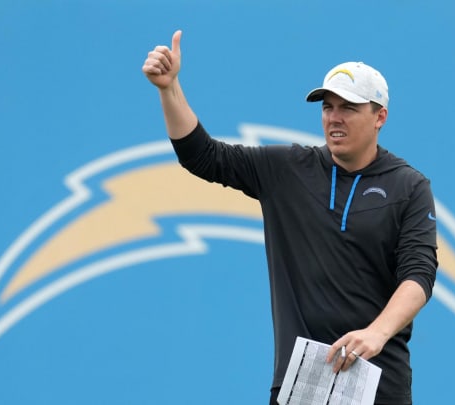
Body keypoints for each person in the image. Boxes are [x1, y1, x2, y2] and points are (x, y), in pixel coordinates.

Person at [142, 30, 437, 405]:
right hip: (302, 388)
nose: (334, 118)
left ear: (380, 116)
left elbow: (419, 275)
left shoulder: (409, 186)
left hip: (379, 388)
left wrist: (376, 334)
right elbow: (202, 156)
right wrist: (169, 89)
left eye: (348, 108)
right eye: (327, 107)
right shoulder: (288, 168)